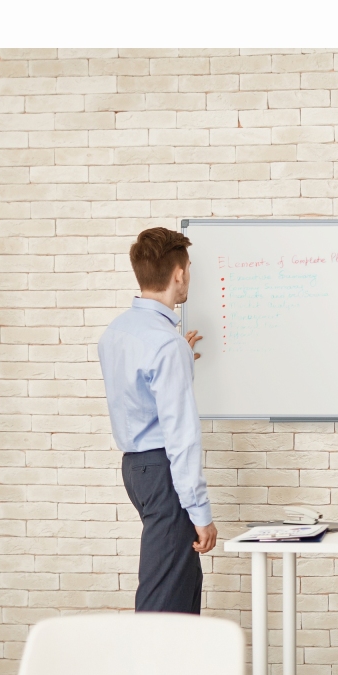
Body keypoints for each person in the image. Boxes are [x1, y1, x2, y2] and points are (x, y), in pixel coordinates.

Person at [98, 227, 217, 614]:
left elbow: (138, 394)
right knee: (162, 603)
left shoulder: (117, 332)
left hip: (136, 469)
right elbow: (181, 437)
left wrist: (180, 363)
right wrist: (201, 514)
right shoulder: (167, 345)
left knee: (181, 586)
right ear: (179, 274)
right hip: (163, 472)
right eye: (189, 269)